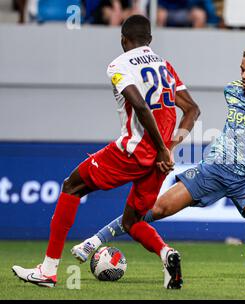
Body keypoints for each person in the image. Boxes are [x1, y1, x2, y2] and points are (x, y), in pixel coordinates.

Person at [73, 46, 245, 282]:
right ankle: (94, 241)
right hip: (214, 169)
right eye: (242, 69)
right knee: (157, 208)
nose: (244, 75)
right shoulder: (232, 90)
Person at [11, 15, 201, 289]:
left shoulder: (118, 64)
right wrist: (169, 150)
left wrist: (161, 148)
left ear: (123, 40)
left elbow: (140, 106)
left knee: (71, 186)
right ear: (150, 40)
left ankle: (48, 270)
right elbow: (193, 110)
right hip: (160, 161)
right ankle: (167, 254)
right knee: (132, 221)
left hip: (132, 151)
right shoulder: (165, 66)